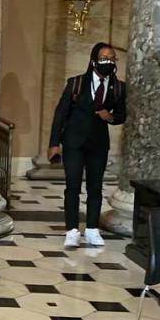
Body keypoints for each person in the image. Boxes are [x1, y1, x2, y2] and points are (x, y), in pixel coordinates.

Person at [48, 42, 126, 247]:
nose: (108, 62)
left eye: (111, 58)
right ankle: (72, 230)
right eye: (104, 58)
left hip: (98, 145)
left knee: (95, 188)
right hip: (74, 142)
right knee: (72, 186)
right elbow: (60, 114)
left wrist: (110, 117)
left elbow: (122, 115)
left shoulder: (118, 87)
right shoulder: (76, 83)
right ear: (93, 61)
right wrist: (54, 143)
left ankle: (92, 229)